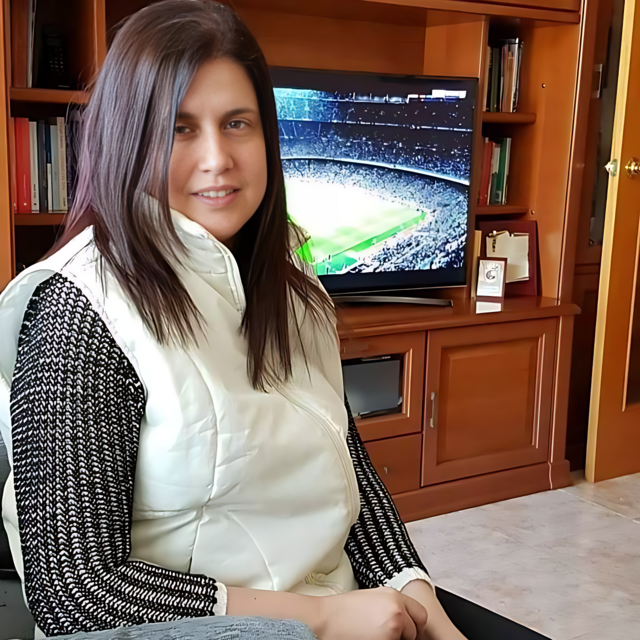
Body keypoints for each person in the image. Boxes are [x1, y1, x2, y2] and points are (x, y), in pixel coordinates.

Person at [0, 2, 467, 639]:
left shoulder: (294, 291)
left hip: (336, 602)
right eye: (180, 128)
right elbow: (77, 594)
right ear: (127, 141)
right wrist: (321, 618)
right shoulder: (77, 310)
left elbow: (347, 471)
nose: (218, 157)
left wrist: (423, 604)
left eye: (237, 123)